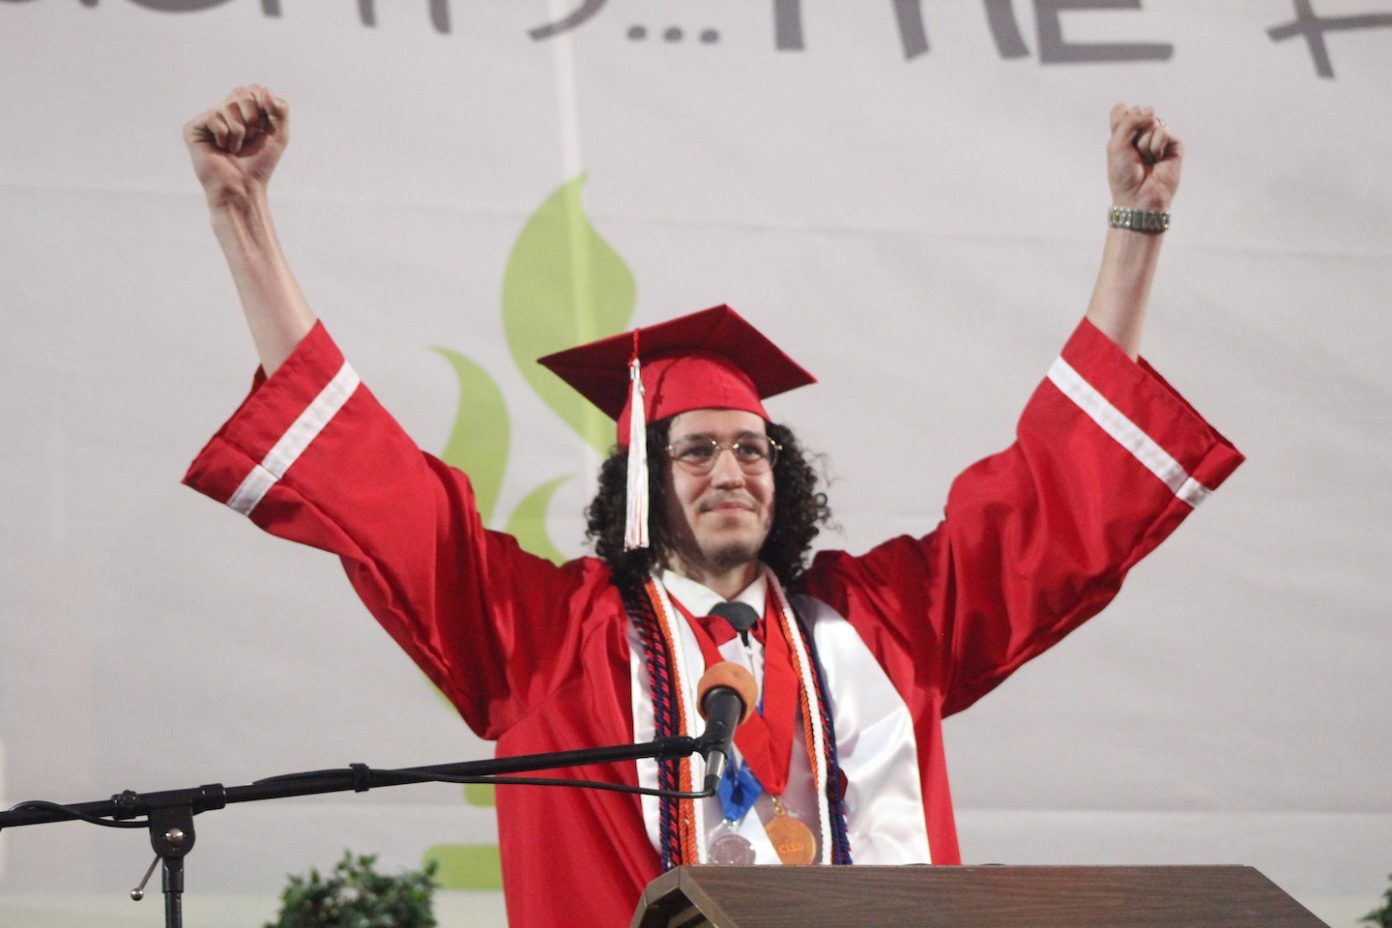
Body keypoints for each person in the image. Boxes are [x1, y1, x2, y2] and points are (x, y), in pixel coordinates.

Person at [181, 86, 1242, 928]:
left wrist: (1134, 229)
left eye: (750, 447)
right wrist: (245, 219)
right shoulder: (550, 640)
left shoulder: (880, 623)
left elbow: (1047, 501)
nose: (730, 468)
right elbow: (387, 498)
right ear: (641, 485)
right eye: (692, 451)